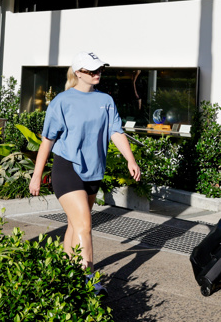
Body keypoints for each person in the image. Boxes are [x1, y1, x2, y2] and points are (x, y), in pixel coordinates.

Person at [29, 51, 140, 295]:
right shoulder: (62, 101)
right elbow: (47, 140)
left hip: (94, 171)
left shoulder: (106, 101)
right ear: (78, 73)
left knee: (75, 224)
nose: (97, 73)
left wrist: (130, 159)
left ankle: (63, 269)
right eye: (91, 70)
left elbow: (116, 132)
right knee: (85, 225)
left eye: (99, 69)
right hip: (67, 167)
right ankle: (88, 279)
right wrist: (37, 175)